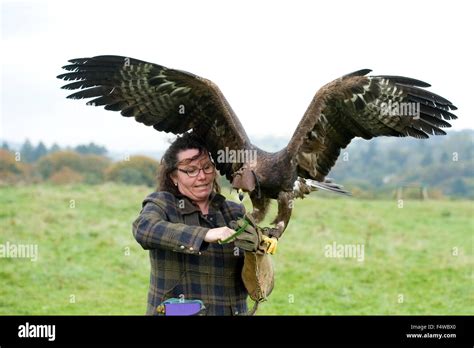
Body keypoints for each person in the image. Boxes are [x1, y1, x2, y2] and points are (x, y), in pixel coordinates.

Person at [132, 133, 249, 315]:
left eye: (207, 167)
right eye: (191, 170)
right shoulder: (163, 204)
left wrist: (258, 253)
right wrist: (205, 235)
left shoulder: (234, 212)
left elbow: (251, 277)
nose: (202, 176)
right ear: (174, 177)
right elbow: (144, 229)